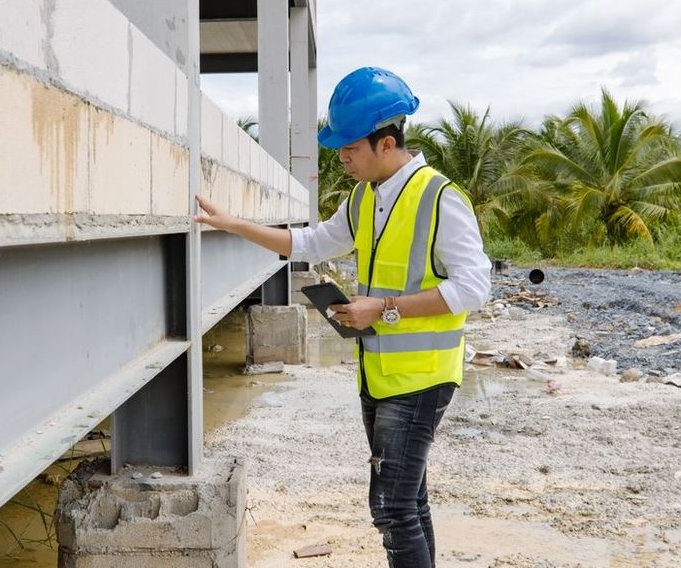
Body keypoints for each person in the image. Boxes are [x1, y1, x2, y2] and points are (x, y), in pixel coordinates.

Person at [195, 67, 491, 567]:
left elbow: (474, 287)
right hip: (379, 372)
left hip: (422, 379)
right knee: (409, 499)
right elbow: (309, 242)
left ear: (387, 143)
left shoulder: (442, 199)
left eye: (349, 148)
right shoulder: (364, 198)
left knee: (391, 506)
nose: (342, 158)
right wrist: (234, 225)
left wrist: (385, 307)